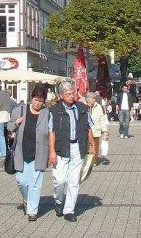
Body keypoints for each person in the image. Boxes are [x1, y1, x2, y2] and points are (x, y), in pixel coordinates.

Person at [10, 85, 53, 221]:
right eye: (35, 99)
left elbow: (51, 132)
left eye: (40, 101)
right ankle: (28, 202)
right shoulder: (20, 110)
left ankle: (32, 212)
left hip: (39, 153)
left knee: (35, 183)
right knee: (21, 181)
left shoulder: (47, 113)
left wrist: (52, 151)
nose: (37, 103)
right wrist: (16, 123)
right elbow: (9, 127)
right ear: (31, 98)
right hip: (22, 152)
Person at [48, 79, 86, 221]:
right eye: (69, 93)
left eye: (73, 92)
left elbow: (88, 127)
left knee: (74, 181)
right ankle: (58, 200)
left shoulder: (81, 108)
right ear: (61, 95)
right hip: (61, 148)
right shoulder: (54, 111)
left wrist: (93, 147)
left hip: (77, 147)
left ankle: (69, 210)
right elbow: (51, 132)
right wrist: (51, 151)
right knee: (60, 180)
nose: (72, 95)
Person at [88, 91, 110, 165]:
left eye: (95, 98)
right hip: (86, 131)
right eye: (93, 98)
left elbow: (102, 119)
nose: (94, 100)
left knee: (95, 146)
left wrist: (104, 130)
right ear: (88, 99)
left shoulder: (98, 106)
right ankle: (87, 160)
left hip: (96, 130)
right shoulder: (84, 106)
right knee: (87, 146)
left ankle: (94, 160)